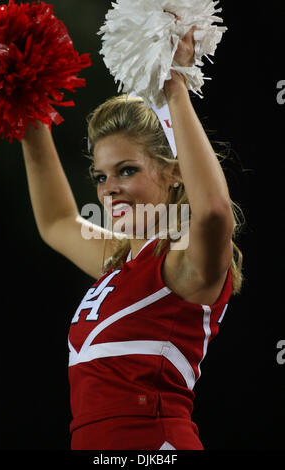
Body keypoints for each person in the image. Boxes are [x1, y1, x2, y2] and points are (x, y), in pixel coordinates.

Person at [21, 27, 244, 450]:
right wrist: (28, 108)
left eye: (127, 170)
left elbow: (214, 212)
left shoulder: (182, 262)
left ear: (174, 171)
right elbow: (55, 221)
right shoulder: (119, 261)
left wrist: (174, 84)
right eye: (100, 177)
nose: (108, 189)